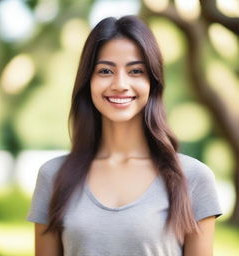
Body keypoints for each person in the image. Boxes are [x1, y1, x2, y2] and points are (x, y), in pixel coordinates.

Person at [27, 15, 222, 256]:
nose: (120, 84)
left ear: (153, 82)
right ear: (88, 81)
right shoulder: (53, 176)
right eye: (106, 70)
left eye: (136, 71)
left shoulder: (193, 178)